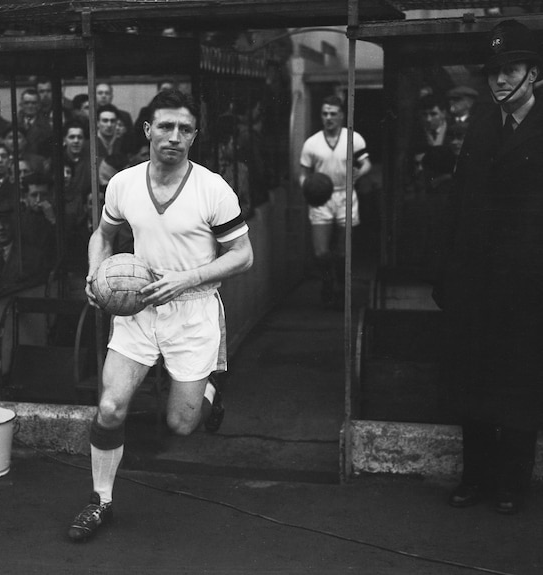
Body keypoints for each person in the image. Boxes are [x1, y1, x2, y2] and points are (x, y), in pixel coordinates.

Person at [67, 89, 253, 542]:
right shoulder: (124, 183)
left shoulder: (213, 189)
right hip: (138, 310)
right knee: (110, 408)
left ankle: (211, 385)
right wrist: (96, 275)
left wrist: (185, 280)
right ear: (148, 129)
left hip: (192, 311)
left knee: (181, 425)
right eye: (166, 126)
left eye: (185, 129)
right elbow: (103, 234)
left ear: (194, 136)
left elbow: (243, 256)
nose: (174, 136)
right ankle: (100, 500)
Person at [435, 19, 543, 516]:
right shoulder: (480, 124)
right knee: (473, 382)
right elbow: (459, 202)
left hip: (527, 287)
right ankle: (475, 478)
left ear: (534, 74)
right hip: (475, 284)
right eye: (494, 71)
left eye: (511, 69)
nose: (500, 80)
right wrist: (447, 272)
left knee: (519, 384)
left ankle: (511, 484)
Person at [299, 95, 371, 308]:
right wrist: (308, 187)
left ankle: (340, 282)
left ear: (341, 115)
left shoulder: (354, 138)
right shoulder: (312, 143)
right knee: (321, 252)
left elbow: (366, 163)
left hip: (346, 195)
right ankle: (327, 279)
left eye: (332, 114)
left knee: (342, 252)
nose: (328, 118)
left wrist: (359, 173)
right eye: (324, 113)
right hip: (321, 198)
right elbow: (303, 173)